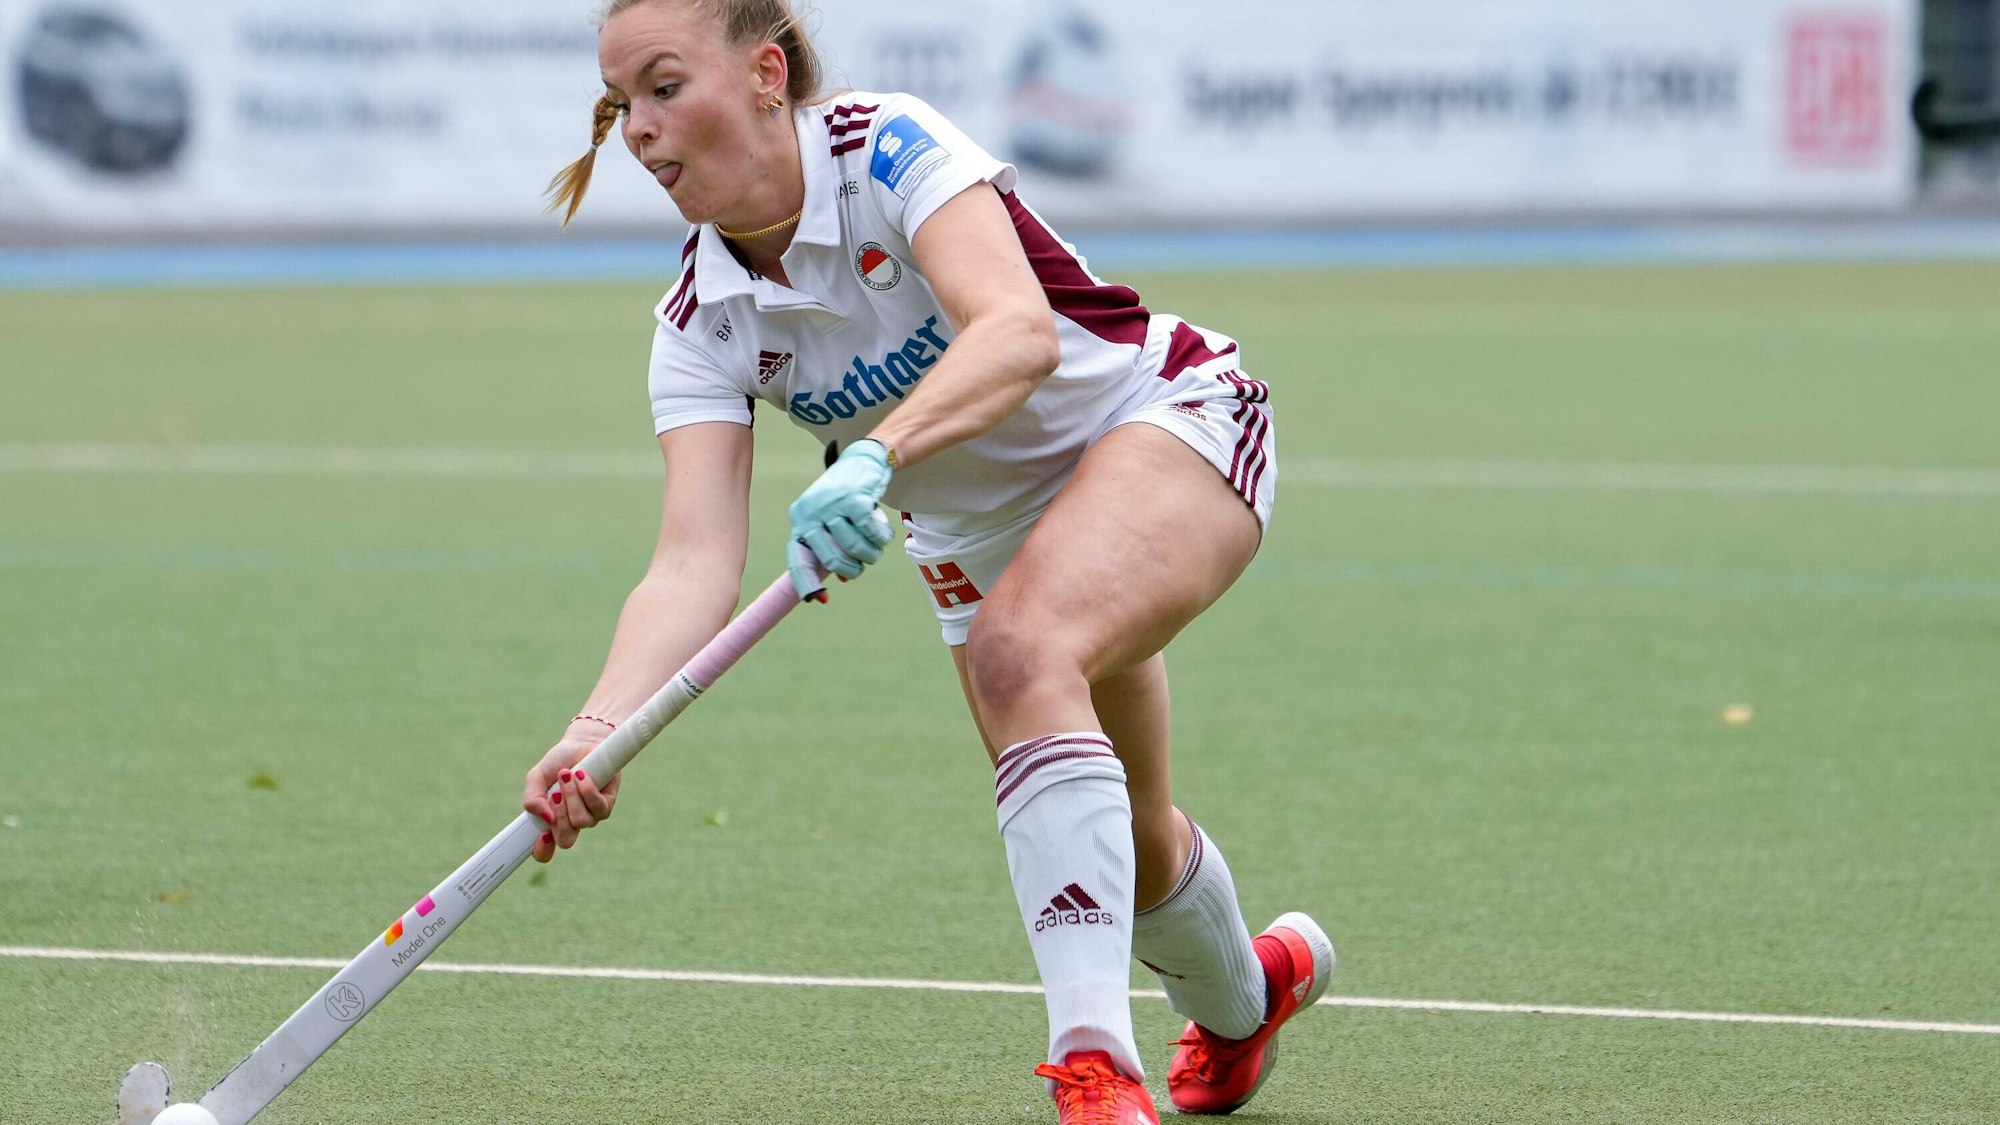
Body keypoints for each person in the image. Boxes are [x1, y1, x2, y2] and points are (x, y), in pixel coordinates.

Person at [520, 1, 1333, 1120]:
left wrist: (877, 457)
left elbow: (1015, 330)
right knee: (1132, 853)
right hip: (981, 537)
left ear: (766, 74)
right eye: (622, 106)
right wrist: (595, 732)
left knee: (1019, 650)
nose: (643, 133)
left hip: (1159, 421)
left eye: (665, 88)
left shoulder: (883, 147)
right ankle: (1250, 1002)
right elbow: (689, 564)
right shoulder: (698, 322)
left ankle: (1092, 1068)